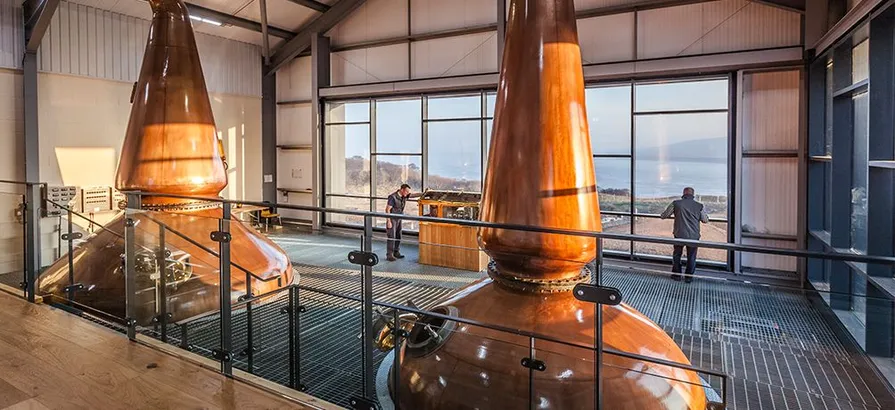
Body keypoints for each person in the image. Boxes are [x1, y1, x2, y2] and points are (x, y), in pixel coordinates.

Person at [660, 187, 709, 283]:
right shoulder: (699, 206)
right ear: (693, 195)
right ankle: (688, 277)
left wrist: (664, 214)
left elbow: (664, 215)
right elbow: (705, 220)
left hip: (679, 234)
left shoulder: (676, 203)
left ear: (683, 194)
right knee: (691, 257)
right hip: (693, 236)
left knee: (677, 255)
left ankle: (676, 275)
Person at [385, 184, 413, 262]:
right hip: (392, 219)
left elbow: (413, 195)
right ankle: (389, 255)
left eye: (408, 192)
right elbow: (387, 209)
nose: (407, 193)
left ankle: (396, 252)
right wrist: (388, 221)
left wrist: (425, 193)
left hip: (399, 219)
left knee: (398, 235)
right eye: (406, 191)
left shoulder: (404, 196)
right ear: (402, 190)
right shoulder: (392, 197)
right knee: (392, 236)